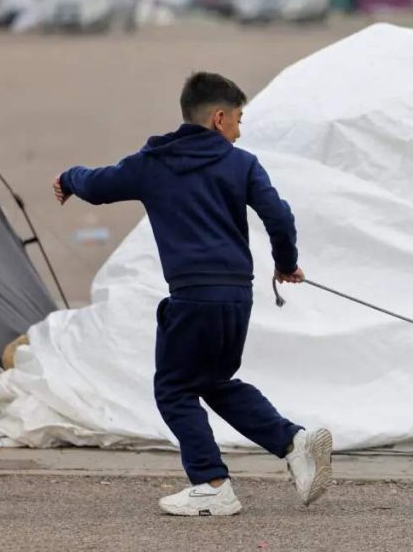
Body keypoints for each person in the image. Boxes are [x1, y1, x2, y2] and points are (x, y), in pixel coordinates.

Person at [53, 72, 332, 516]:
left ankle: (211, 484)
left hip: (192, 297)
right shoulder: (242, 164)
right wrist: (285, 263)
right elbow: (278, 215)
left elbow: (100, 185)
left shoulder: (152, 163)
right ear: (219, 118)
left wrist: (69, 178)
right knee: (213, 382)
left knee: (174, 388)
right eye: (239, 119)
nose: (239, 130)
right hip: (237, 297)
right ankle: (294, 443)